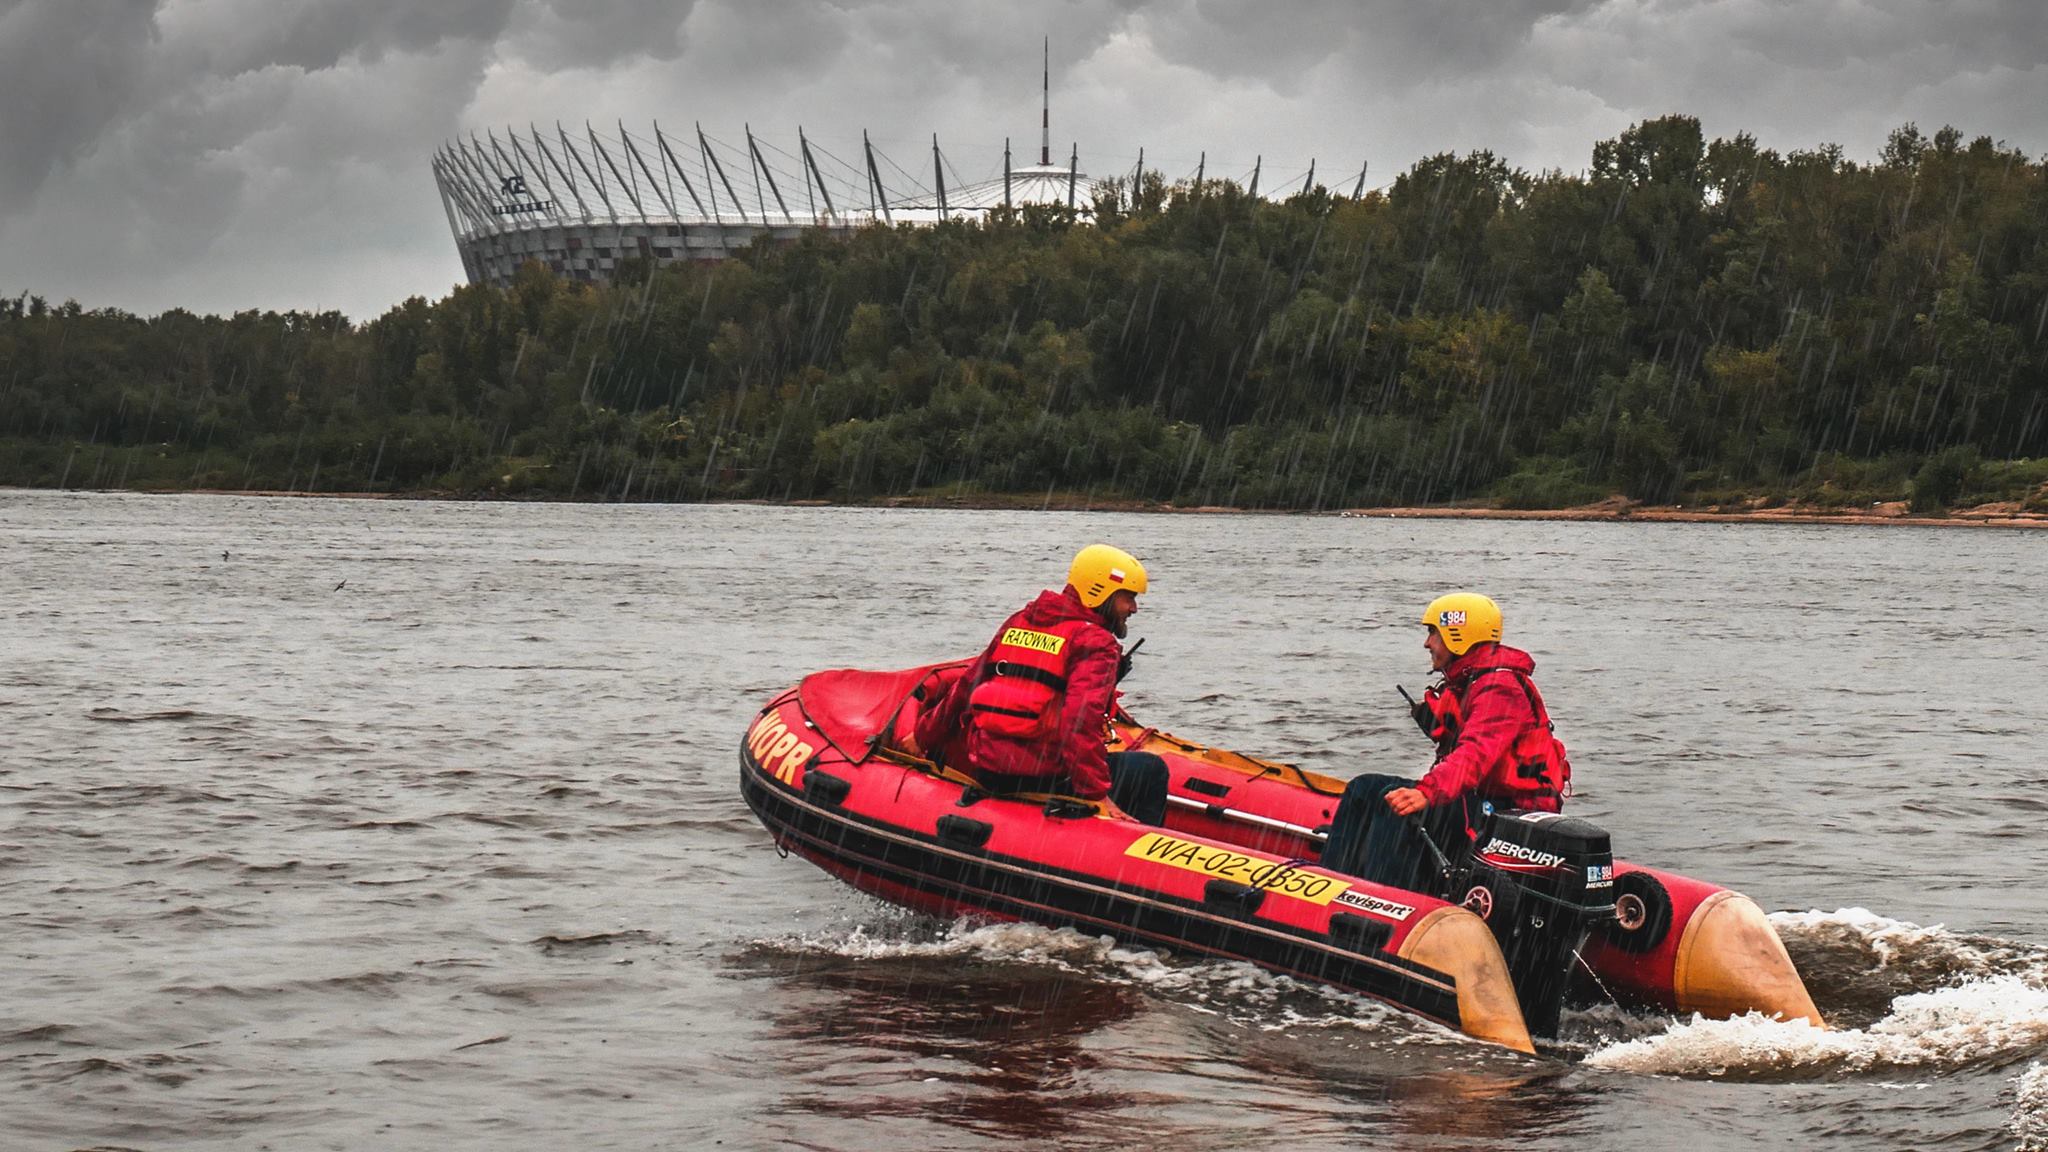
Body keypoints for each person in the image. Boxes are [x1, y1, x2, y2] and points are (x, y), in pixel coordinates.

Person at [1319, 593, 1570, 893]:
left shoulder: (1499, 688)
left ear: (1458, 636)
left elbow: (1474, 755)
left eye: (1432, 633)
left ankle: (1383, 902)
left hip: (1509, 812)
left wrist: (1428, 792)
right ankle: (1332, 884)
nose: (1427, 644)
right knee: (1363, 789)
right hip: (1479, 798)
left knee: (1397, 805)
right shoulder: (1468, 681)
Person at [911, 544, 1169, 824]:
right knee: (1150, 769)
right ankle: (1136, 849)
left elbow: (966, 686)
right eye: (1128, 597)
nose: (1133, 608)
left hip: (991, 771)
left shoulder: (1020, 621)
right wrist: (1097, 795)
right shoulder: (1096, 642)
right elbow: (1079, 721)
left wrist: (922, 736)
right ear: (1101, 593)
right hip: (1044, 776)